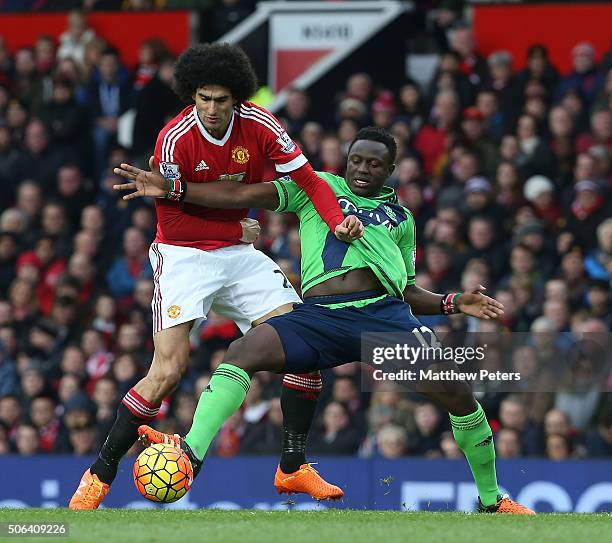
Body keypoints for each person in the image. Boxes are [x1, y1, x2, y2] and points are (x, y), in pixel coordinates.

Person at [116, 127, 535, 514]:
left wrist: (453, 302)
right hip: (321, 318)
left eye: (374, 163)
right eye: (356, 160)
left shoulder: (402, 219)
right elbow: (241, 193)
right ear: (346, 161)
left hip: (383, 318)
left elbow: (406, 289)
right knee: (244, 350)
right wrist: (174, 188)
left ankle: (491, 499)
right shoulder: (317, 188)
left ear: (390, 170)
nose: (363, 169)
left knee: (457, 394)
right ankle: (191, 452)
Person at [68, 43, 362, 510]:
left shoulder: (261, 125)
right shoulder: (174, 138)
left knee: (303, 344)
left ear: (238, 98)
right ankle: (97, 478)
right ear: (192, 95)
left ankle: (293, 467)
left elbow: (310, 181)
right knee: (167, 371)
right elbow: (173, 220)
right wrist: (236, 227)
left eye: (220, 99)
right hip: (184, 254)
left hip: (237, 255)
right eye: (202, 97)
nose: (210, 108)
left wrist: (336, 220)